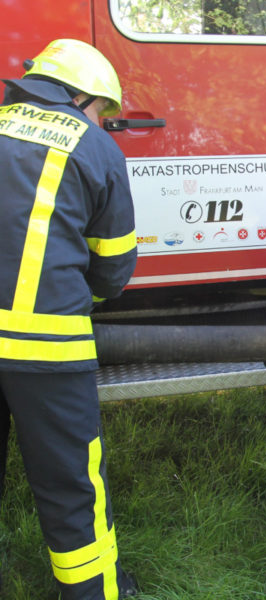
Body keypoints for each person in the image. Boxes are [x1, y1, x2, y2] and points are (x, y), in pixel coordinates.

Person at [0, 39, 138, 598]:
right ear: (82, 96)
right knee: (71, 483)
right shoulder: (96, 149)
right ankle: (91, 592)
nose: (103, 119)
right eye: (103, 108)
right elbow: (112, 268)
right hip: (45, 347)